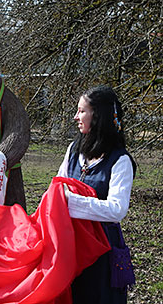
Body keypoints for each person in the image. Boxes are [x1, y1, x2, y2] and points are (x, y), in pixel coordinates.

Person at [57, 85, 136, 304]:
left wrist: (71, 202)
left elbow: (117, 210)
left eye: (82, 111)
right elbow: (58, 186)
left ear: (98, 115)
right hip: (72, 244)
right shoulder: (74, 150)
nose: (76, 116)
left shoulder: (120, 161)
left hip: (102, 251)